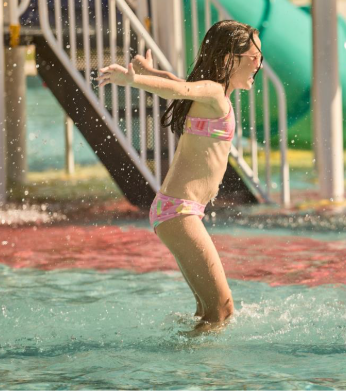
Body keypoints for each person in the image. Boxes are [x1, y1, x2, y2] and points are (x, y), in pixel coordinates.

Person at [97, 20, 263, 333]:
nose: (259, 65)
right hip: (180, 211)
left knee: (206, 311)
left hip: (179, 211)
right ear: (229, 60)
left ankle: (183, 367)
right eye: (254, 58)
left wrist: (146, 72)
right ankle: (199, 375)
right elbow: (180, 88)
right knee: (222, 310)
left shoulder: (210, 95)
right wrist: (134, 82)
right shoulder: (213, 93)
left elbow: (176, 82)